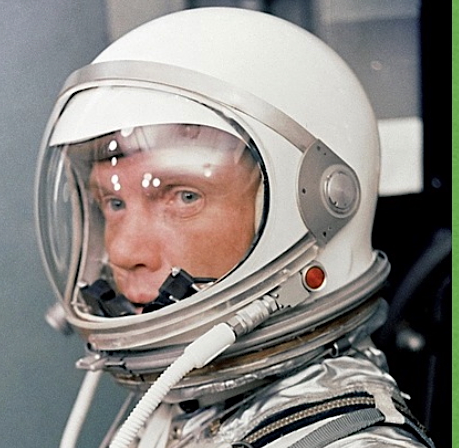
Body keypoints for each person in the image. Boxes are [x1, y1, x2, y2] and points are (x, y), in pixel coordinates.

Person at [34, 7, 436, 448]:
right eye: (113, 203)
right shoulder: (178, 405)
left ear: (321, 206)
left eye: (184, 197)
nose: (125, 252)